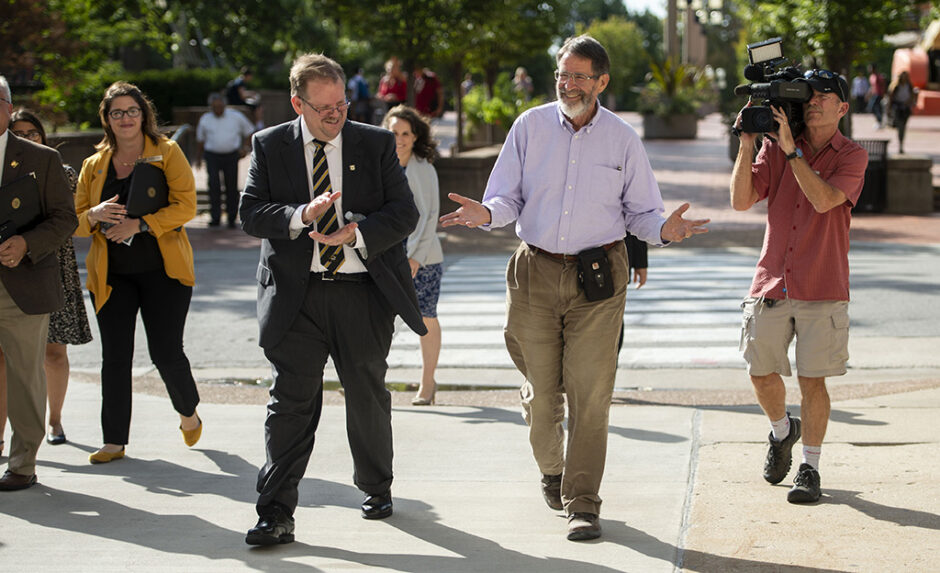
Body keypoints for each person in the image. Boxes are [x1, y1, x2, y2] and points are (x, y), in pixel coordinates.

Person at [439, 35, 709, 541]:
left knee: (591, 393)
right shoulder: (530, 126)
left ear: (602, 81)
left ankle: (583, 500)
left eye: (579, 76)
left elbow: (642, 212)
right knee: (543, 397)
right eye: (562, 74)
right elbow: (505, 199)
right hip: (534, 271)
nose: (568, 84)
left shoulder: (623, 139)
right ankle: (552, 470)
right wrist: (485, 214)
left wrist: (664, 231)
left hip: (599, 277)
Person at [239, 53, 426, 546]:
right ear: (298, 103)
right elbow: (252, 213)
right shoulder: (269, 144)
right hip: (295, 297)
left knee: (366, 395)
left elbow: (403, 213)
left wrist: (357, 233)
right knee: (291, 403)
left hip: (361, 293)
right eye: (323, 107)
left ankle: (376, 487)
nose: (335, 114)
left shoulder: (376, 141)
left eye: (341, 103)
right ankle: (275, 513)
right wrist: (301, 215)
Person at [731, 69, 868, 504]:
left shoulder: (853, 156)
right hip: (772, 279)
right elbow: (740, 200)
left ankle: (810, 467)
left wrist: (792, 152)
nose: (814, 101)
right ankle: (781, 430)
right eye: (810, 94)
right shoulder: (774, 147)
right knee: (760, 371)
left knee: (813, 381)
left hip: (822, 283)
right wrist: (749, 142)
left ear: (842, 108)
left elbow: (825, 200)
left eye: (825, 95)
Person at [74, 81, 203, 465]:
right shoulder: (93, 165)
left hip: (164, 271)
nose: (126, 118)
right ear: (107, 120)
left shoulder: (167, 152)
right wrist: (93, 216)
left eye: (132, 111)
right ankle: (114, 441)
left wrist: (140, 224)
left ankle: (188, 413)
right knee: (115, 357)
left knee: (165, 351)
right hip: (113, 275)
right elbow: (73, 221)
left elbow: (186, 206)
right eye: (117, 113)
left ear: (143, 114)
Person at [0, 75, 78, 491]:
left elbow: (66, 219)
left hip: (22, 280)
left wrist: (26, 243)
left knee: (25, 375)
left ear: (9, 109)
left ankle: (22, 464)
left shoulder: (40, 158)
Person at [382, 105, 443, 406]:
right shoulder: (382, 164)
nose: (400, 139)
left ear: (415, 136)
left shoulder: (424, 168)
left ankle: (428, 383)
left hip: (424, 257)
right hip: (387, 255)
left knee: (425, 317)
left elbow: (430, 216)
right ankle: (371, 379)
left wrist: (415, 257)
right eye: (394, 133)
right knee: (378, 317)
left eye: (406, 133)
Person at [194, 93, 255, 228]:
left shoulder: (235, 116)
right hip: (212, 155)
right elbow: (200, 140)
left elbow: (249, 130)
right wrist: (198, 158)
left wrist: (245, 147)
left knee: (231, 186)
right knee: (214, 185)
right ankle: (215, 217)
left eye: (220, 106)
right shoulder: (205, 119)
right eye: (215, 107)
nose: (218, 109)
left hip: (231, 155)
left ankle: (231, 218)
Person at [887, 71, 916, 154]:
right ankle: (900, 143)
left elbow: (912, 96)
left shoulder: (909, 86)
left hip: (905, 108)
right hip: (898, 108)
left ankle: (901, 142)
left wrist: (908, 103)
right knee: (900, 126)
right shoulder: (895, 86)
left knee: (903, 126)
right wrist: (889, 109)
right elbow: (891, 97)